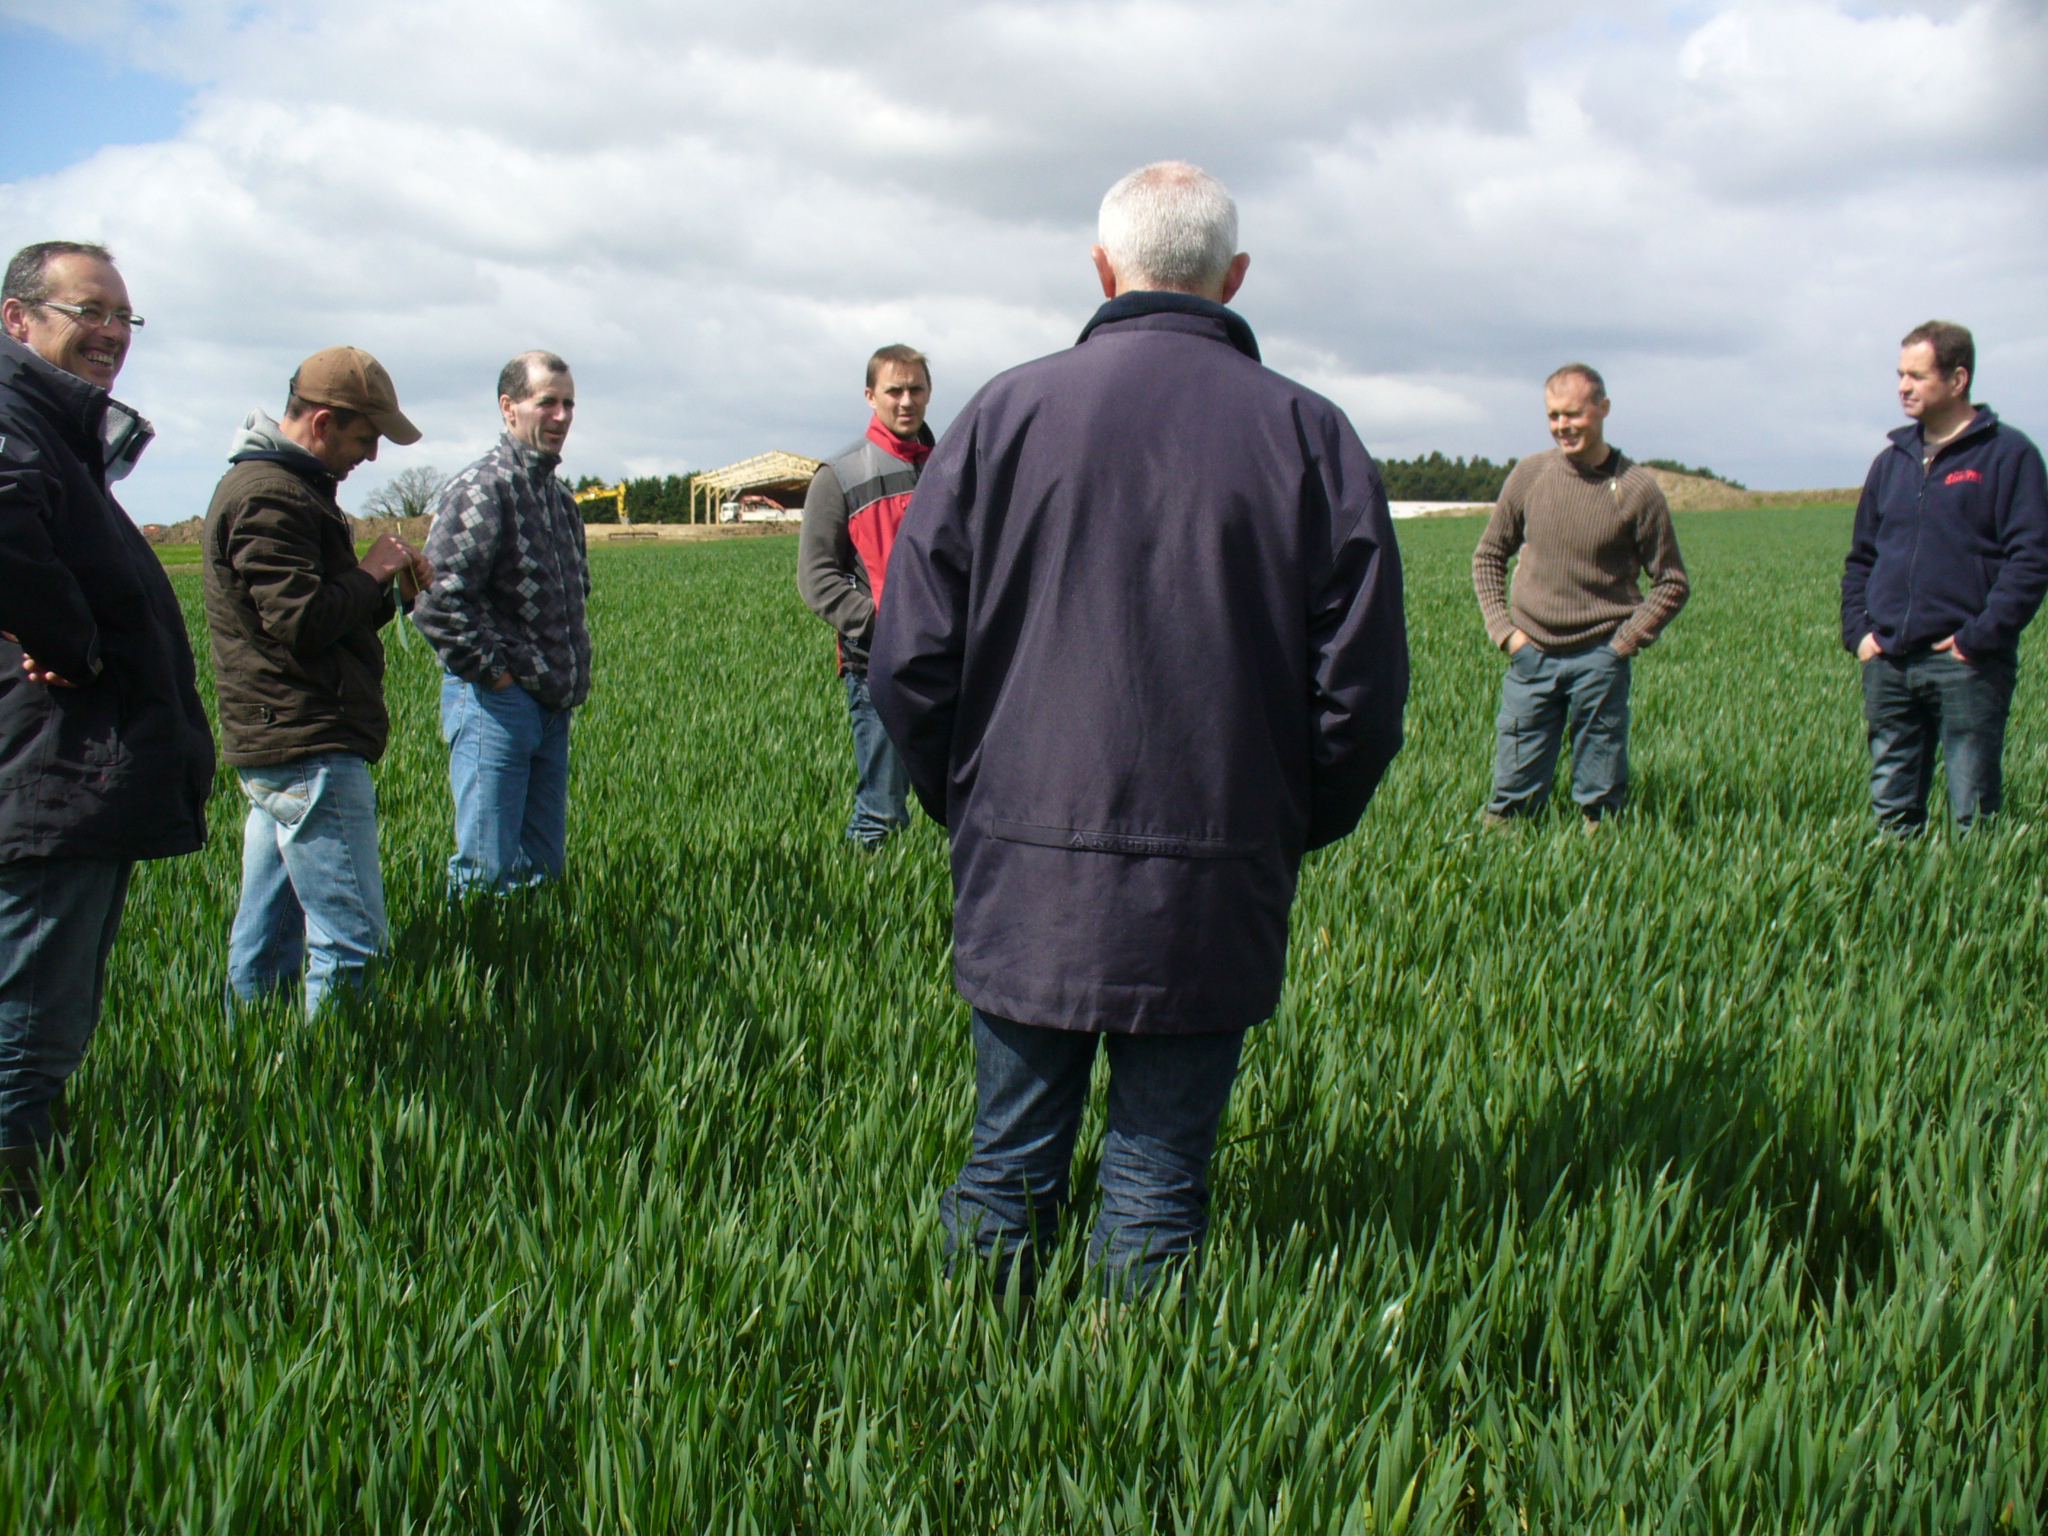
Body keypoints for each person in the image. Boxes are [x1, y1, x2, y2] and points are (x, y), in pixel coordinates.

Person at [871, 163, 1408, 1299]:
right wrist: (1281, 828)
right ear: (1234, 277)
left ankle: (965, 1430)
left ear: (1103, 268)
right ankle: (1135, 1443)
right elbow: (1357, 691)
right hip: (1215, 875)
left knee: (1005, 1174)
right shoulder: (1309, 434)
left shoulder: (1001, 415)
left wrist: (971, 808)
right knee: (1158, 1189)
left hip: (1024, 864)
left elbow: (908, 657)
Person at [0, 241, 214, 1210]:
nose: (112, 334)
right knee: (25, 1032)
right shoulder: (18, 424)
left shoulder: (58, 435)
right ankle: (20, 1229)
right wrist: (72, 641)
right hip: (52, 776)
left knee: (41, 1024)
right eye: (89, 311)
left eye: (124, 318)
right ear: (17, 319)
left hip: (71, 776)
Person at [201, 347, 431, 1017]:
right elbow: (301, 622)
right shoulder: (270, 494)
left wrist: (386, 589)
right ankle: (339, 1088)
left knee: (267, 934)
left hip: (285, 740)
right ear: (324, 422)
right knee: (351, 941)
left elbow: (318, 625)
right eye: (367, 438)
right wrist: (372, 571)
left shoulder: (282, 487)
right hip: (307, 743)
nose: (373, 456)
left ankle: (256, 1062)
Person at [1841, 321, 2048, 833]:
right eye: (1899, 374)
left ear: (1958, 380)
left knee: (1973, 813)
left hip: (1966, 664)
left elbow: (2032, 559)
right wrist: (1860, 635)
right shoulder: (1891, 464)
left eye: (1916, 375)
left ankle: (1975, 910)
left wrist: (1977, 639)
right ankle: (1894, 905)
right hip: (1889, 661)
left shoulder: (2008, 455)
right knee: (1891, 813)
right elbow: (1861, 558)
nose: (1902, 387)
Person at [1471, 365, 1689, 830]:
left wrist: (1622, 646)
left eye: (1573, 413)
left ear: (1603, 409)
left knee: (1601, 800)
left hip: (1599, 660)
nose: (1561, 426)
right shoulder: (1530, 475)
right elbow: (1488, 555)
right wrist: (1506, 634)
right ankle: (1500, 870)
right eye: (1553, 415)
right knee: (1510, 796)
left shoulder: (1637, 490)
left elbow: (1671, 582)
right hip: (1530, 658)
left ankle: (1600, 868)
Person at [413, 352, 590, 893]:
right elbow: (436, 601)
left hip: (551, 708)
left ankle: (534, 970)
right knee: (486, 870)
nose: (560, 416)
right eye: (547, 403)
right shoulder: (483, 489)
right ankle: (477, 966)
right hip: (496, 705)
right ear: (509, 408)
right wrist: (498, 677)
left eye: (568, 404)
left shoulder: (559, 498)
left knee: (543, 872)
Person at [797, 344, 934, 849]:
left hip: (948, 665)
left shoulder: (947, 467)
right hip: (880, 667)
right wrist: (890, 624)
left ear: (929, 393)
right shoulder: (840, 475)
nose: (905, 401)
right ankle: (868, 915)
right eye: (894, 390)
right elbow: (817, 580)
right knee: (882, 812)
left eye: (915, 389)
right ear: (870, 395)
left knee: (964, 802)